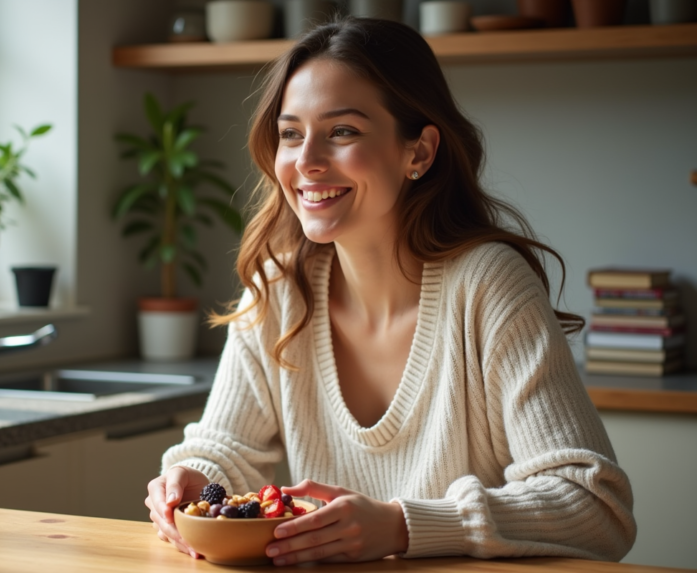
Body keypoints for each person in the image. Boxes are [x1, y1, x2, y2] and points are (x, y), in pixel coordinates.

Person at [145, 17, 636, 566]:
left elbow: (597, 508)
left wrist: (403, 527)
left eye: (342, 132)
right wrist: (192, 480)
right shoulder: (280, 287)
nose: (306, 162)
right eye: (290, 133)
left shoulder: (488, 285)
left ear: (419, 153)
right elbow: (224, 451)